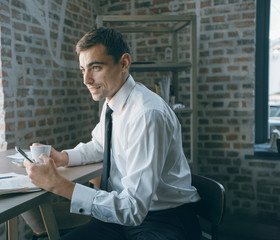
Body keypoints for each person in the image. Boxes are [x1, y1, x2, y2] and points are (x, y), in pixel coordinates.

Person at [24, 27, 201, 240]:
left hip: (163, 222)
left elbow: (133, 209)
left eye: (95, 67)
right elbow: (100, 145)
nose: (86, 80)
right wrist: (64, 157)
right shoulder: (113, 102)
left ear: (124, 63)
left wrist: (59, 185)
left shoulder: (146, 114)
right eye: (83, 70)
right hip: (123, 217)